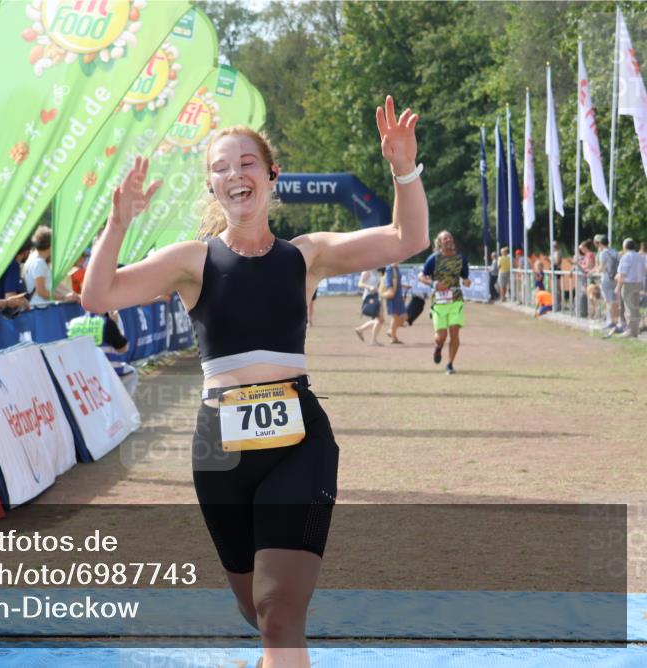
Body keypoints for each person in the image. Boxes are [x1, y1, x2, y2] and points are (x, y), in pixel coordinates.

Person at [80, 96, 428, 666]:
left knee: (278, 610)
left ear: (271, 176)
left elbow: (404, 237)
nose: (234, 174)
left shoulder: (304, 256)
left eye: (247, 162)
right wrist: (118, 224)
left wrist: (403, 168)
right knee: (256, 611)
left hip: (299, 443)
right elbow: (99, 295)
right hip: (220, 450)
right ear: (211, 187)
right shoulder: (192, 260)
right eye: (220, 167)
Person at [419, 229, 471, 374]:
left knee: (455, 333)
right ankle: (438, 346)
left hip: (456, 300)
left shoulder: (461, 258)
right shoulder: (434, 259)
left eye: (450, 238)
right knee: (441, 336)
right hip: (439, 302)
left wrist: (466, 281)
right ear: (440, 242)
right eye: (445, 238)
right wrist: (434, 284)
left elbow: (465, 276)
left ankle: (450, 364)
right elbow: (421, 276)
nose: (448, 240)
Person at [66, 311, 138, 396]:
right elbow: (123, 349)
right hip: (108, 370)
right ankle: (125, 406)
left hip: (80, 372)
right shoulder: (107, 323)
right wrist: (116, 324)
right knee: (132, 373)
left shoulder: (73, 323)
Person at [614, 238, 644, 339]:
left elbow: (623, 273)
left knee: (629, 308)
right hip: (638, 283)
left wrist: (618, 287)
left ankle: (631, 331)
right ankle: (635, 330)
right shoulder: (639, 256)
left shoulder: (626, 257)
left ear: (625, 246)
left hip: (629, 284)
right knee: (635, 308)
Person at [593, 234, 621, 335]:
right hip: (615, 278)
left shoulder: (603, 253)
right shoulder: (615, 252)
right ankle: (616, 321)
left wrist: (594, 271)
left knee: (609, 301)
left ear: (600, 243)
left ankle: (610, 322)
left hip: (607, 279)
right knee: (616, 301)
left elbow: (601, 268)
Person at [354, 268, 385, 345]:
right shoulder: (367, 271)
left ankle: (360, 329)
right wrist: (369, 287)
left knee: (380, 319)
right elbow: (360, 283)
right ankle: (373, 340)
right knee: (380, 319)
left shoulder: (377, 272)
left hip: (377, 296)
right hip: (369, 297)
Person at [383, 262, 407, 343]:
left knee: (404, 316)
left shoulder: (396, 267)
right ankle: (393, 337)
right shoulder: (390, 268)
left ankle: (391, 331)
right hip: (393, 295)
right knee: (395, 316)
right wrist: (390, 291)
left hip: (398, 294)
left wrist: (403, 286)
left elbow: (396, 281)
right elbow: (388, 281)